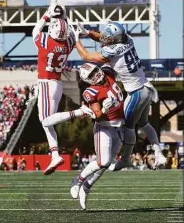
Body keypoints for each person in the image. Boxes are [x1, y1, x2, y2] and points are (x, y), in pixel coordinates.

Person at [70, 20, 166, 170]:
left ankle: (126, 158)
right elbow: (104, 37)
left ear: (113, 38)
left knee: (129, 127)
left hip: (136, 93)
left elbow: (86, 57)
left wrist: (76, 39)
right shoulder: (127, 39)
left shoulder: (112, 51)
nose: (104, 38)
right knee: (144, 123)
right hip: (147, 87)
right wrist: (87, 33)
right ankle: (159, 153)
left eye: (107, 37)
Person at [42, 63, 124, 210]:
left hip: (120, 125)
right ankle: (78, 181)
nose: (95, 75)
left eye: (94, 71)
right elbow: (98, 116)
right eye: (91, 75)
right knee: (104, 161)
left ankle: (87, 186)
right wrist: (105, 107)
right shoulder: (91, 91)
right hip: (104, 127)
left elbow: (108, 58)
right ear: (88, 80)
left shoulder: (108, 72)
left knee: (107, 164)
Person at [32, 3, 75, 175]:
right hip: (57, 84)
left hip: (45, 83)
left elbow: (35, 30)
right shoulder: (68, 44)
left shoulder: (45, 42)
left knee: (45, 120)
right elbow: (69, 32)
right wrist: (63, 17)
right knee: (48, 121)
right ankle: (55, 154)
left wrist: (46, 16)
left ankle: (77, 113)